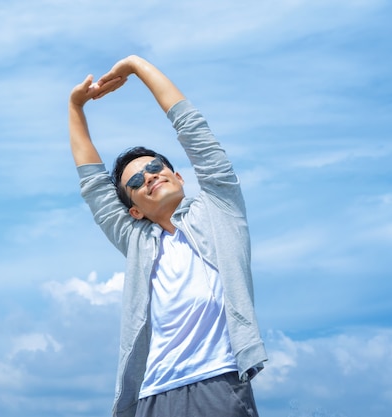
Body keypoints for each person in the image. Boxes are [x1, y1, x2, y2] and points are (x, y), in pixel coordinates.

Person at [68, 55, 268, 417]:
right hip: (153, 394)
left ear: (179, 177)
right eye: (135, 181)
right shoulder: (138, 242)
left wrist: (135, 65)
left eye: (156, 167)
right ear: (135, 211)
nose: (149, 176)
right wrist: (76, 106)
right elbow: (94, 185)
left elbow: (193, 128)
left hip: (218, 382)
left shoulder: (219, 208)